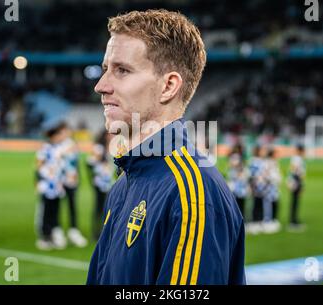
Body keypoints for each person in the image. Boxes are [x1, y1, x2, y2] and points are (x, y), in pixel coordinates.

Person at [87, 9, 245, 285]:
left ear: (168, 86)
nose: (101, 86)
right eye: (105, 70)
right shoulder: (126, 181)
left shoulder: (192, 193)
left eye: (122, 70)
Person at [34, 123, 67, 250]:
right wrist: (46, 176)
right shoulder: (45, 149)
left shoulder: (58, 148)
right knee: (46, 212)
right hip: (47, 185)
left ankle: (53, 236)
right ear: (54, 136)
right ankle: (44, 237)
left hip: (57, 186)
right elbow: (39, 166)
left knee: (55, 211)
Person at [59, 123, 88, 248]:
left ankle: (73, 231)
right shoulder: (57, 145)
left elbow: (75, 164)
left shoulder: (72, 144)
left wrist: (77, 178)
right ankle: (57, 232)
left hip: (71, 181)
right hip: (59, 180)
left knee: (72, 206)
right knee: (57, 207)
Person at [86, 130, 115, 240]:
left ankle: (105, 230)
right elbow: (90, 163)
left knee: (108, 207)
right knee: (99, 208)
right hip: (100, 183)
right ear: (105, 135)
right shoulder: (99, 148)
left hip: (109, 182)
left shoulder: (112, 147)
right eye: (111, 134)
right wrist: (98, 171)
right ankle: (96, 232)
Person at [261, 147, 281, 234]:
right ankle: (267, 221)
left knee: (274, 203)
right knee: (267, 204)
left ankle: (273, 220)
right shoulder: (267, 163)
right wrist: (272, 178)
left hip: (274, 187)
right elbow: (265, 175)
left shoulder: (274, 162)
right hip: (268, 187)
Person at [247, 145, 266, 234]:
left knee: (260, 203)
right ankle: (254, 222)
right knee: (255, 204)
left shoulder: (261, 161)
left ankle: (260, 221)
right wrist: (252, 186)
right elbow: (251, 175)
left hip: (262, 186)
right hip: (256, 186)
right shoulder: (253, 161)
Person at [227, 142, 249, 220]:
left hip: (240, 182)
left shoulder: (241, 157)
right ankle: (236, 219)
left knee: (241, 202)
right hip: (235, 181)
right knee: (235, 202)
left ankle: (241, 218)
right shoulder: (235, 156)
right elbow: (233, 165)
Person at [287, 144, 306, 231]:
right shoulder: (297, 159)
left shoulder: (296, 158)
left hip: (294, 181)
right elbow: (295, 171)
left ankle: (294, 220)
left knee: (295, 201)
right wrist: (300, 184)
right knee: (295, 202)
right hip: (295, 182)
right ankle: (293, 221)